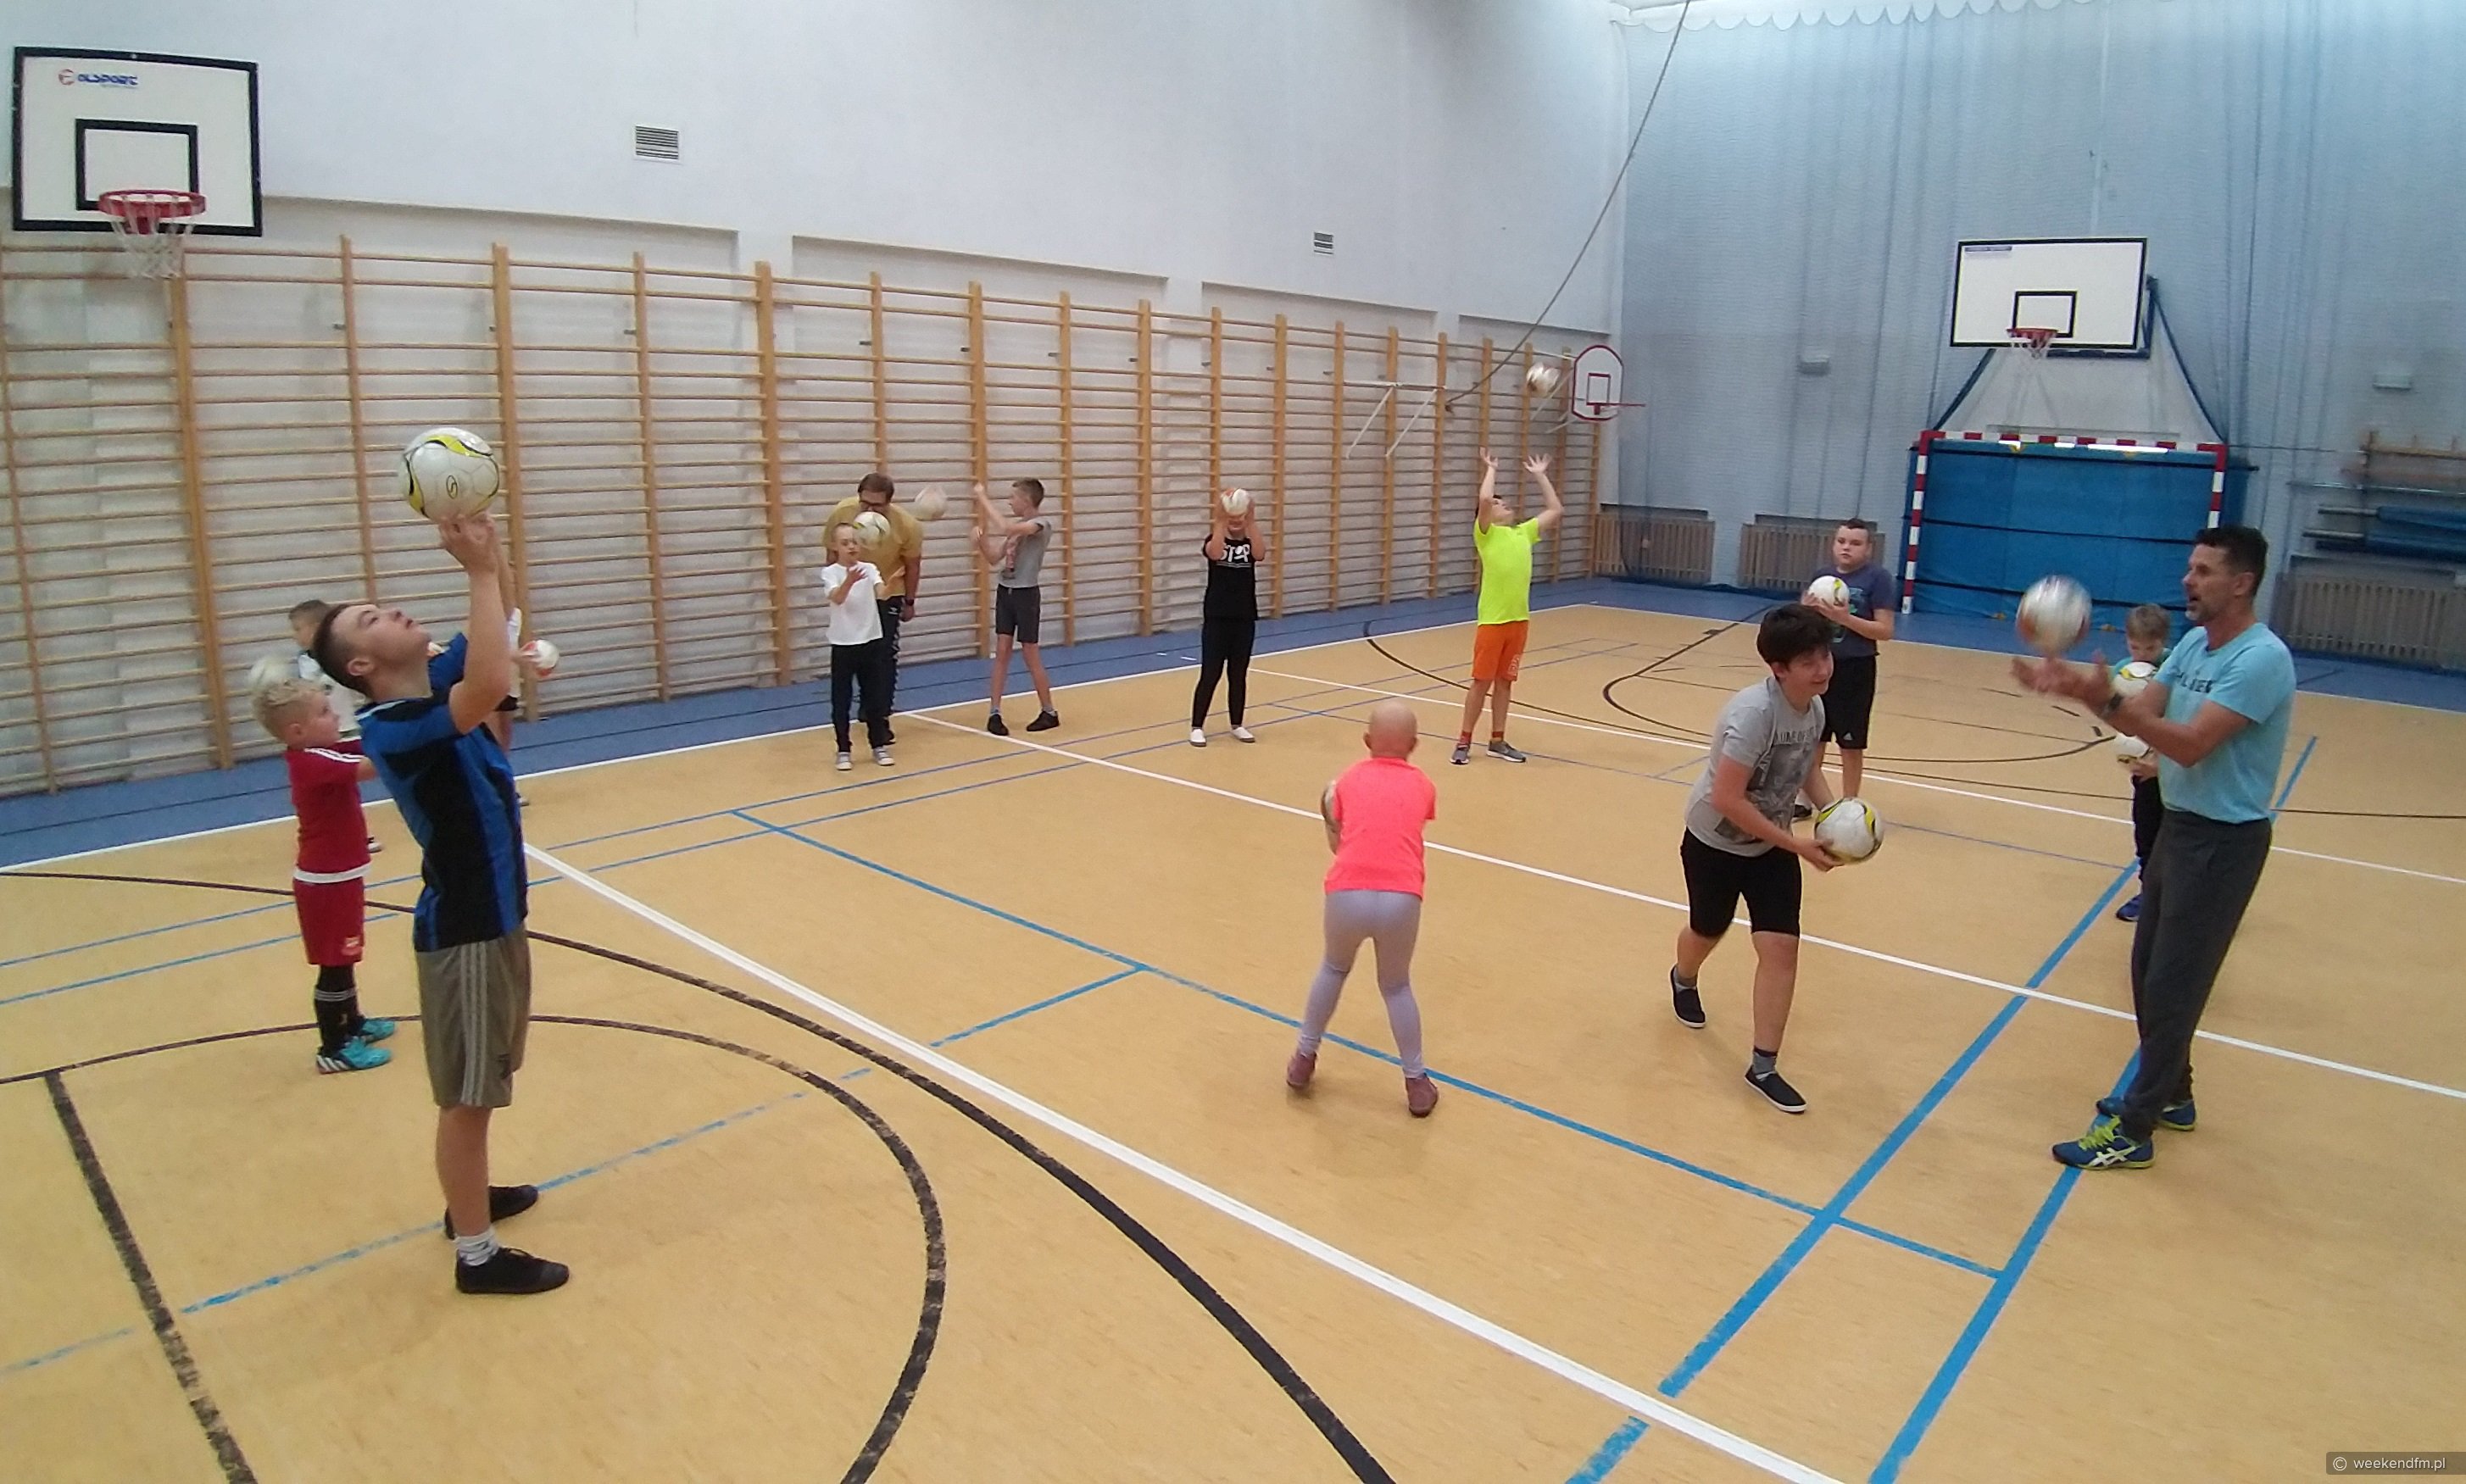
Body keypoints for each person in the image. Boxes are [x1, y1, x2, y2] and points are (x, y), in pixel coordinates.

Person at [313, 516, 565, 1295]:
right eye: (370, 618)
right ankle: (476, 1254)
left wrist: (491, 555)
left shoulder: (428, 687)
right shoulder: (395, 726)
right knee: (467, 1098)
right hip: (465, 930)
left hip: (497, 917)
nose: (389, 609)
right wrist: (478, 573)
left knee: (487, 1078)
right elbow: (488, 685)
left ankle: (469, 1197)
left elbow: (501, 630)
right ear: (361, 664)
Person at [2016, 526, 2295, 1170]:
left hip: (2223, 842)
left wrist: (2101, 697)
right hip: (2180, 825)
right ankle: (2175, 1092)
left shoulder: (2260, 659)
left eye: (2203, 571)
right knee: (2148, 972)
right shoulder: (2194, 643)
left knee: (2174, 984)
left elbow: (2190, 744)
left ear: (2241, 583)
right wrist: (2083, 690)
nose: (2187, 580)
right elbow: (2141, 712)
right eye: (2189, 568)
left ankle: (2133, 1129)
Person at [1669, 604, 1839, 1114]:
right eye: (1809, 662)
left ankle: (1763, 1066)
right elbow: (1727, 798)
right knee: (1708, 928)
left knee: (1781, 948)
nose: (1823, 669)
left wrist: (1836, 815)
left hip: (1770, 848)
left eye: (1825, 656)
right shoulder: (1753, 716)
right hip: (1714, 844)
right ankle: (1683, 976)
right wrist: (1797, 845)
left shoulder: (1813, 709)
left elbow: (1805, 768)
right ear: (1779, 668)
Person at [1287, 701, 1441, 1117]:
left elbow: (1340, 841)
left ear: (1367, 741)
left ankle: (1303, 1058)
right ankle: (1416, 1082)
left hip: (1347, 892)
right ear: (1414, 745)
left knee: (1333, 968)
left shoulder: (1347, 780)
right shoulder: (1424, 785)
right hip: (1402, 897)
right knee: (1396, 986)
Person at [248, 659, 395, 1074]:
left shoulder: (322, 751)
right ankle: (334, 1047)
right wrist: (410, 739)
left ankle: (353, 1022)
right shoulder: (312, 763)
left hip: (341, 875)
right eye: (325, 713)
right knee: (335, 965)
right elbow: (371, 766)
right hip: (326, 882)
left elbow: (363, 747)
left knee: (345, 956)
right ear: (298, 731)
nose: (335, 718)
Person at [1453, 451, 1563, 766]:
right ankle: (1464, 740)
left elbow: (1556, 510)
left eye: (1503, 503)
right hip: (1493, 622)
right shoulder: (1486, 535)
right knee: (1481, 682)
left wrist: (1540, 475)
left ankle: (1497, 741)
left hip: (1519, 621)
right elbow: (1485, 499)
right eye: (1499, 504)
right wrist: (1491, 469)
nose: (1504, 505)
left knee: (1505, 683)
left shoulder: (1523, 533)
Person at [1802, 519, 1896, 800]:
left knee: (1851, 743)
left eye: (1855, 543)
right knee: (1814, 737)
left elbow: (1885, 630)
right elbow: (1804, 623)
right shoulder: (1822, 576)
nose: (1846, 547)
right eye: (1841, 541)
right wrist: (1804, 611)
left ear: (1868, 548)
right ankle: (1806, 798)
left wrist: (1845, 619)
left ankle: (1849, 802)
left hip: (1856, 668)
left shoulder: (1878, 579)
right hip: (1820, 666)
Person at [823, 472, 926, 730]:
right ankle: (856, 708)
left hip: (886, 592)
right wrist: (836, 589)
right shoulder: (842, 513)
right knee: (853, 655)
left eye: (877, 505)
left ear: (889, 503)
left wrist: (909, 601)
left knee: (883, 655)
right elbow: (831, 555)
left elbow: (913, 565)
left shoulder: (907, 525)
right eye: (865, 503)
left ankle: (879, 716)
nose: (869, 510)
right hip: (853, 594)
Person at [291, 599, 381, 855]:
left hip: (346, 728)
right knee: (332, 790)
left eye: (298, 629)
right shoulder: (304, 661)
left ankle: (358, 834)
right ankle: (340, 834)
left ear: (317, 627)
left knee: (349, 786)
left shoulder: (339, 656)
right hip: (322, 735)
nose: (294, 636)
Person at [970, 479, 1060, 736]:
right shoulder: (1016, 531)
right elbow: (993, 558)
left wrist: (982, 498)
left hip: (1026, 594)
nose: (1010, 502)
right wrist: (981, 542)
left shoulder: (1040, 525)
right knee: (1002, 652)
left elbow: (1006, 526)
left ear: (1026, 500)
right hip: (1006, 591)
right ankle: (994, 712)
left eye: (1013, 497)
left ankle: (1049, 711)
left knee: (1030, 653)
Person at [2113, 603, 2174, 924]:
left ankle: (2180, 896)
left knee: (2175, 833)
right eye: (2136, 647)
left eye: (2150, 648)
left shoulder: (2175, 668)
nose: (2142, 655)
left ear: (2163, 641)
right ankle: (2149, 892)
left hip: (2176, 765)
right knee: (2146, 830)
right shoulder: (2123, 672)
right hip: (2143, 770)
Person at [1190, 487, 1262, 747]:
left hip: (1244, 617)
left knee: (1238, 673)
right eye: (1231, 518)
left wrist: (1250, 520)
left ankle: (1237, 724)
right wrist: (1221, 519)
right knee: (1210, 673)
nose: (1235, 522)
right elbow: (1215, 553)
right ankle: (1197, 726)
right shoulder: (1214, 539)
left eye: (1239, 518)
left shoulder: (1249, 542)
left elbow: (1260, 554)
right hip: (1217, 617)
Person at [821, 521, 896, 770]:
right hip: (843, 644)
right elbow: (838, 598)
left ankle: (878, 746)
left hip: (870, 641)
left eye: (854, 541)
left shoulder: (870, 568)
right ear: (835, 546)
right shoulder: (830, 573)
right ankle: (843, 749)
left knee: (874, 698)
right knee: (841, 700)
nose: (851, 547)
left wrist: (891, 585)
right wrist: (849, 581)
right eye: (845, 543)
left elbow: (881, 593)